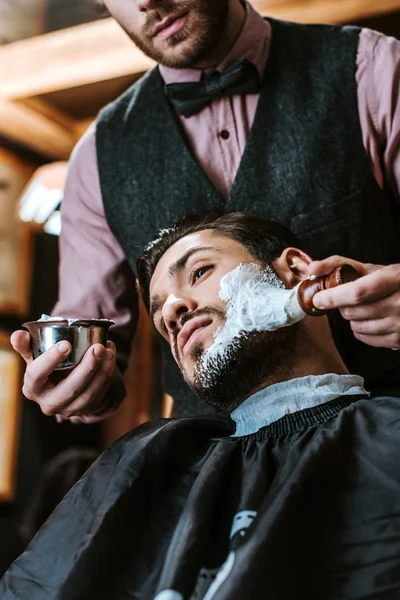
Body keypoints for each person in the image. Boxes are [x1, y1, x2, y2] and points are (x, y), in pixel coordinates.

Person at [11, 0, 400, 422]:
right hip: (217, 473)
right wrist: (72, 388)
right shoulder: (95, 159)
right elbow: (94, 365)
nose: (146, 1)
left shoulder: (373, 68)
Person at [3, 211, 400, 600]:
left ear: (295, 270)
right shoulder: (152, 462)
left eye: (198, 272)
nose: (174, 311)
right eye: (162, 322)